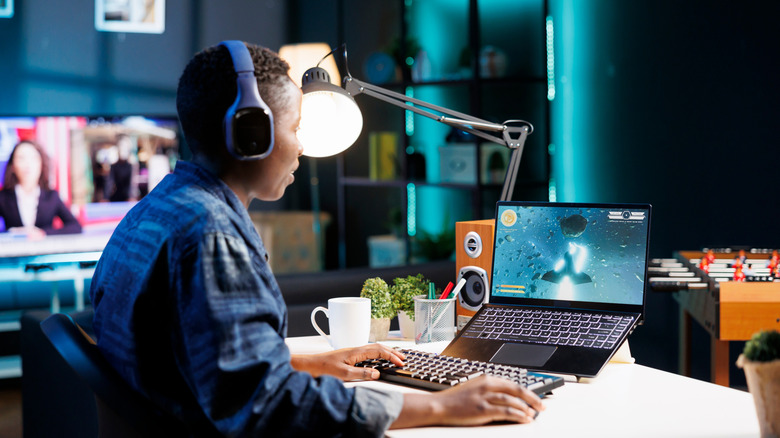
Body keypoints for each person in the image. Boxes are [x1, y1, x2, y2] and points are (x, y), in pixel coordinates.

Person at [89, 41, 544, 437]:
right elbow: (267, 409)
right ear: (252, 136)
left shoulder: (159, 210)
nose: (302, 146)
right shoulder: (211, 236)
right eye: (293, 127)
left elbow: (203, 365)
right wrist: (444, 405)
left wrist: (309, 363)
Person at [0, 140, 82, 239]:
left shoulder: (52, 196)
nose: (28, 164)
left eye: (33, 158)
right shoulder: (3, 197)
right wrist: (11, 232)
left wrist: (44, 233)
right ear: (12, 165)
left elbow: (75, 226)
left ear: (41, 164)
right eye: (21, 158)